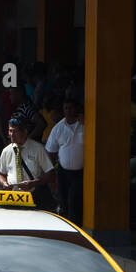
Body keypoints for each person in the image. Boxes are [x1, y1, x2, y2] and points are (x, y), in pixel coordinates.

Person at [0, 112, 55, 207]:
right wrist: (4, 183)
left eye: (15, 131)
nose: (12, 135)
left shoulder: (37, 149)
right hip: (12, 199)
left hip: (33, 198)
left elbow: (50, 174)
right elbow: (0, 174)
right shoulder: (7, 151)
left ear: (25, 131)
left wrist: (33, 183)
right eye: (10, 131)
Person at [45, 95, 85, 223]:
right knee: (63, 201)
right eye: (66, 108)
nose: (68, 111)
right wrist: (52, 172)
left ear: (76, 109)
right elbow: (51, 151)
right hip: (63, 172)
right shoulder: (58, 128)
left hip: (80, 172)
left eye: (71, 108)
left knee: (74, 201)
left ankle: (76, 229)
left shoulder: (85, 125)